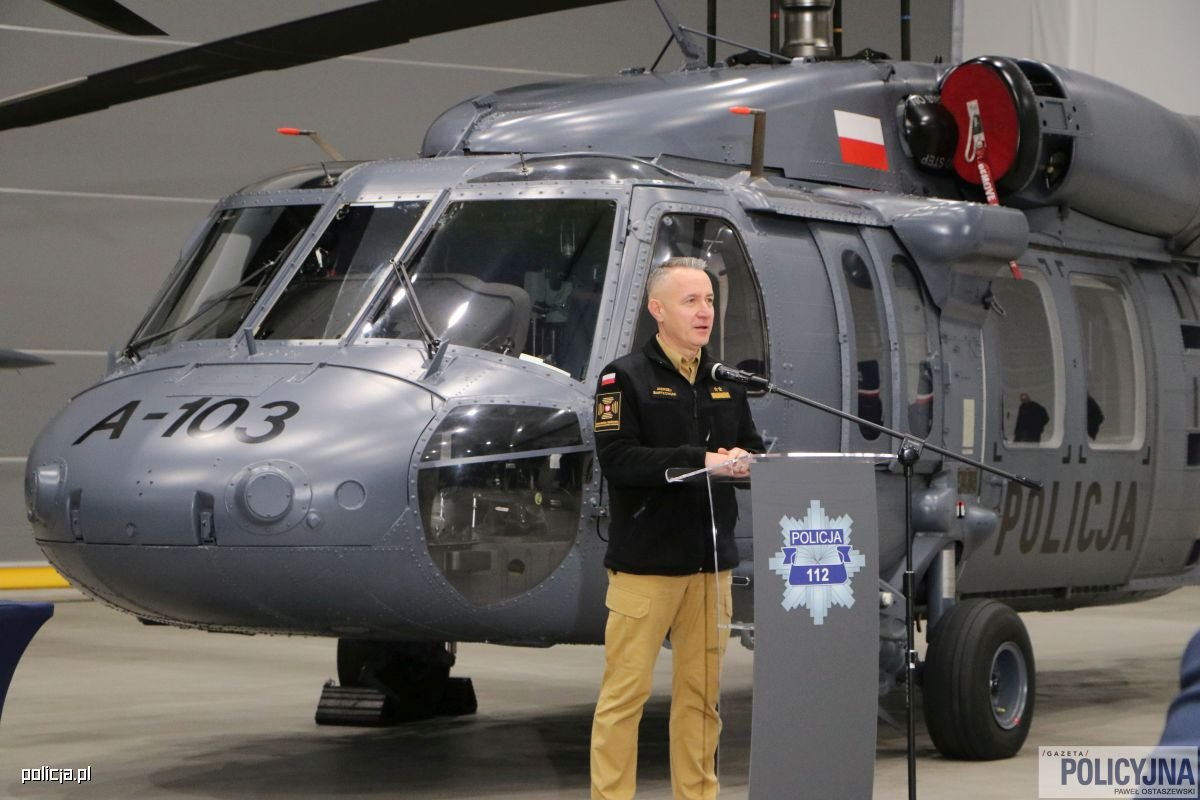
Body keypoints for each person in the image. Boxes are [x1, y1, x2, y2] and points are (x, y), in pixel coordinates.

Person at [590, 256, 764, 800]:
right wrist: (700, 460)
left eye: (709, 300)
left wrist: (749, 464)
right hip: (646, 567)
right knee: (625, 698)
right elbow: (618, 459)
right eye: (691, 301)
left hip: (711, 568)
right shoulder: (622, 378)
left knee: (702, 699)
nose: (704, 311)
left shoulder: (725, 381)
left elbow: (751, 448)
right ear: (658, 310)